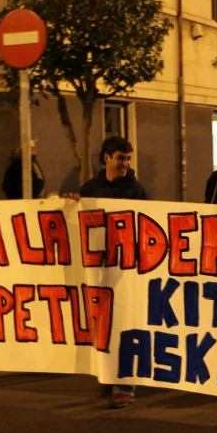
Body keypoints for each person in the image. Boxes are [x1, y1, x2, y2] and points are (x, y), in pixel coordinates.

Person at [66, 136, 148, 409]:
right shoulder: (89, 188)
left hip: (126, 269)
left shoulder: (137, 190)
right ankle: (107, 372)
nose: (125, 163)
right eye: (120, 158)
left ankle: (124, 383)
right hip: (98, 268)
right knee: (102, 323)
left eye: (128, 158)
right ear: (106, 158)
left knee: (124, 324)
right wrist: (71, 203)